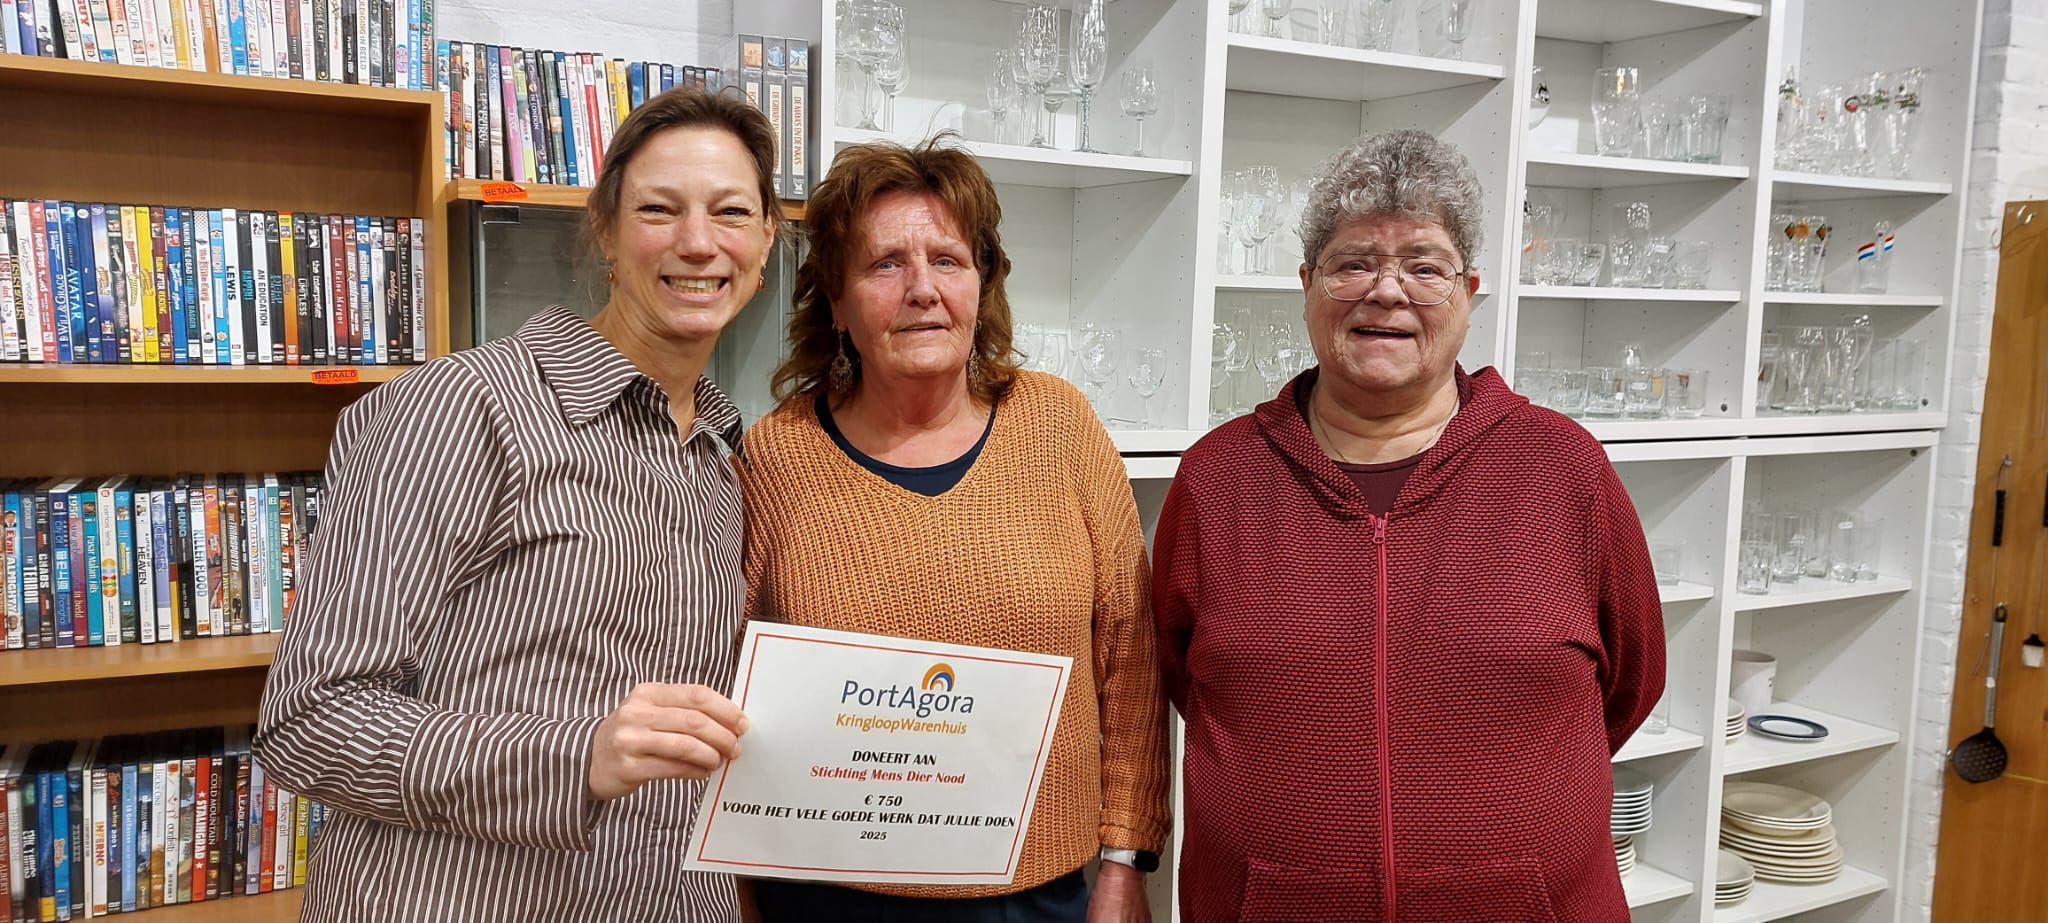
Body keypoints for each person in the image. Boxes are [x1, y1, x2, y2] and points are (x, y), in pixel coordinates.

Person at [254, 86, 780, 923]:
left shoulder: (720, 458)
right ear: (604, 229)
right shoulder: (461, 407)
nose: (698, 241)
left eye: (731, 212)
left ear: (766, 239)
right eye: (658, 208)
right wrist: (577, 757)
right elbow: (311, 720)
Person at [1154, 129, 1665, 922]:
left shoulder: (1565, 469)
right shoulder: (1217, 479)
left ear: (1469, 292)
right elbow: (1181, 676)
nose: (1386, 291)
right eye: (1354, 263)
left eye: (1424, 267)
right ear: (1307, 285)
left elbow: (1632, 682)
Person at [738, 138, 1171, 923]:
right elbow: (724, 677)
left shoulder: (1060, 425)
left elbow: (1131, 656)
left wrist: (1125, 860)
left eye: (948, 260)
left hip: (1038, 896)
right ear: (836, 302)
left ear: (983, 283)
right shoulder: (776, 455)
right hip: (827, 896)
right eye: (884, 264)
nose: (922, 289)